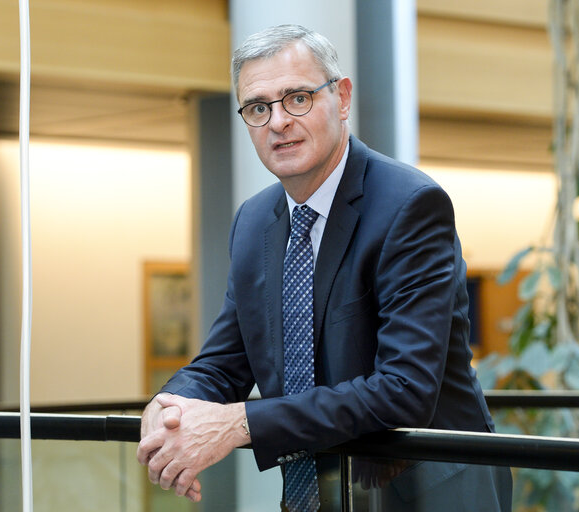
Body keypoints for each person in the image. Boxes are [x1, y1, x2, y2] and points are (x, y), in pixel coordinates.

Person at [137, 24, 512, 511]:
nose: (277, 122)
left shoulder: (410, 206)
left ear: (341, 97)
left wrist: (239, 424)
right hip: (322, 493)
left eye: (297, 98)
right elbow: (224, 363)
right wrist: (167, 408)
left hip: (427, 492)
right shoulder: (254, 221)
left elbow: (404, 389)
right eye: (258, 107)